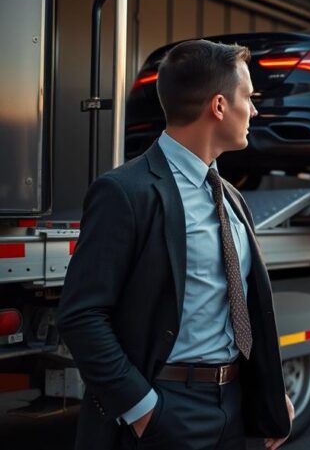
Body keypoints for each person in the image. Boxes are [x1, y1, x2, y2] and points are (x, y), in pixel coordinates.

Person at [57, 40, 293, 449]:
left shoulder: (232, 199)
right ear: (219, 106)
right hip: (166, 409)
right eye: (248, 98)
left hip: (234, 408)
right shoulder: (124, 192)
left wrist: (270, 394)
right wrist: (143, 410)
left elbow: (243, 308)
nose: (254, 111)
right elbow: (81, 315)